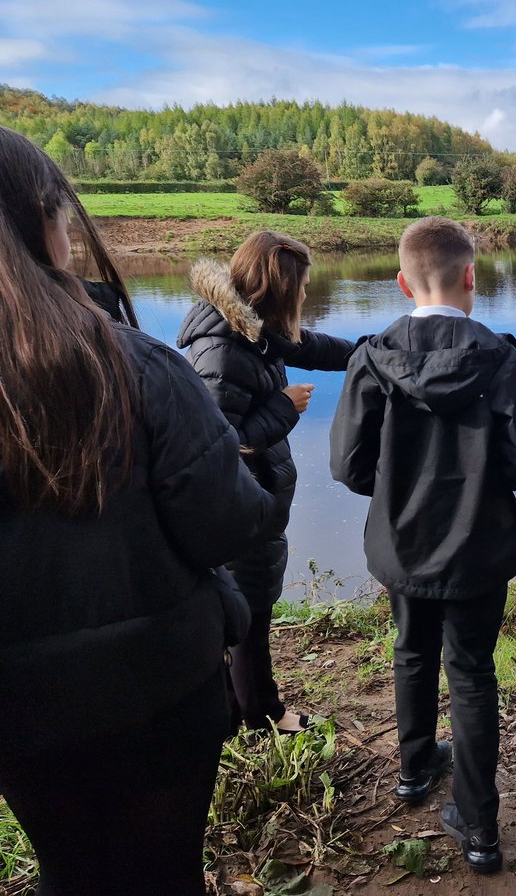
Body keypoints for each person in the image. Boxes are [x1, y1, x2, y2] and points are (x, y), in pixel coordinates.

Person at [0, 125, 279, 895]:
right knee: (163, 872)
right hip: (159, 687)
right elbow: (229, 522)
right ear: (48, 224)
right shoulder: (138, 364)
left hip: (17, 711)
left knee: (70, 869)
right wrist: (269, 444)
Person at [329, 216, 516, 874]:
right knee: (474, 675)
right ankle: (480, 830)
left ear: (402, 282)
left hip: (402, 544)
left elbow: (347, 465)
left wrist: (396, 488)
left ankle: (414, 768)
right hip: (479, 548)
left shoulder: (371, 357)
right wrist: (479, 484)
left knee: (411, 652)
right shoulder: (499, 357)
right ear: (471, 277)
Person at [178, 232, 356, 733]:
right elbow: (217, 444)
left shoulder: (251, 330)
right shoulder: (223, 349)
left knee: (250, 608)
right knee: (250, 611)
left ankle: (238, 709)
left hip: (255, 497)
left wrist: (368, 350)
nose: (305, 296)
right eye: (301, 287)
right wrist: (282, 407)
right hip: (239, 504)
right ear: (278, 290)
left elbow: (311, 345)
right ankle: (263, 713)